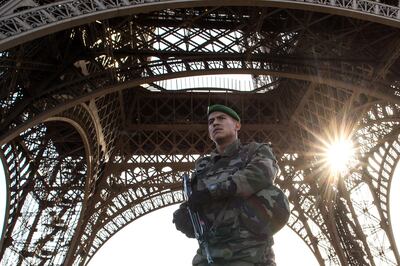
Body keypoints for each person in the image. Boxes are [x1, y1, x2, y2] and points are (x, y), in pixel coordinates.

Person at [173, 104, 290, 266]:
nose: (215, 123)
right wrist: (184, 213)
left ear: (237, 125)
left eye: (221, 118)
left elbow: (261, 173)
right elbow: (197, 201)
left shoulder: (255, 150)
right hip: (209, 255)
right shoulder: (202, 166)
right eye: (210, 121)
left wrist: (214, 191)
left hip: (250, 254)